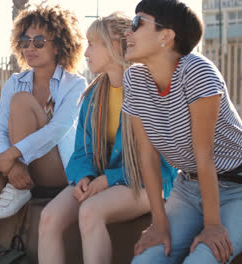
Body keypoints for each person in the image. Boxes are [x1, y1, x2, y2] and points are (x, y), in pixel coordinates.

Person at [37, 12, 177, 264]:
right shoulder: (93, 96)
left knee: (90, 211)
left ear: (115, 45)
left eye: (92, 44)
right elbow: (82, 150)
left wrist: (109, 179)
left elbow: (159, 158)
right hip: (101, 178)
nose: (86, 52)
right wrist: (84, 177)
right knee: (49, 217)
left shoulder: (149, 90)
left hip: (148, 182)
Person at [0, 4, 87, 263]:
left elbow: (58, 129)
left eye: (38, 42)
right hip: (17, 166)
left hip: (56, 169)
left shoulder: (74, 84)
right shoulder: (16, 81)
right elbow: (1, 129)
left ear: (58, 45)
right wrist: (11, 165)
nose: (29, 48)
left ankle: (17, 181)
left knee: (22, 102)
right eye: (25, 41)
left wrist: (13, 155)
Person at [120, 0, 242, 263]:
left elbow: (204, 153)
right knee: (146, 259)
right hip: (187, 188)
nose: (127, 33)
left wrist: (212, 226)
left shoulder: (196, 71)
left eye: (137, 23)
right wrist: (159, 223)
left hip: (238, 188)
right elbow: (147, 155)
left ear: (166, 36)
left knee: (202, 259)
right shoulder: (134, 80)